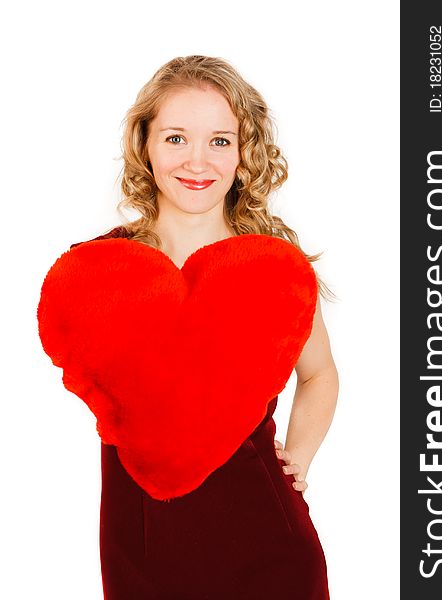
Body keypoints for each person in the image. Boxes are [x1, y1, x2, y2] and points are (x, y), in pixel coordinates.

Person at [38, 55, 339, 599]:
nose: (197, 160)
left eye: (220, 141)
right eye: (176, 138)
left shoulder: (273, 270)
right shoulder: (96, 271)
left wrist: (298, 457)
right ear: (144, 144)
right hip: (141, 544)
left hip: (268, 546)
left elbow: (318, 374)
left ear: (245, 153)